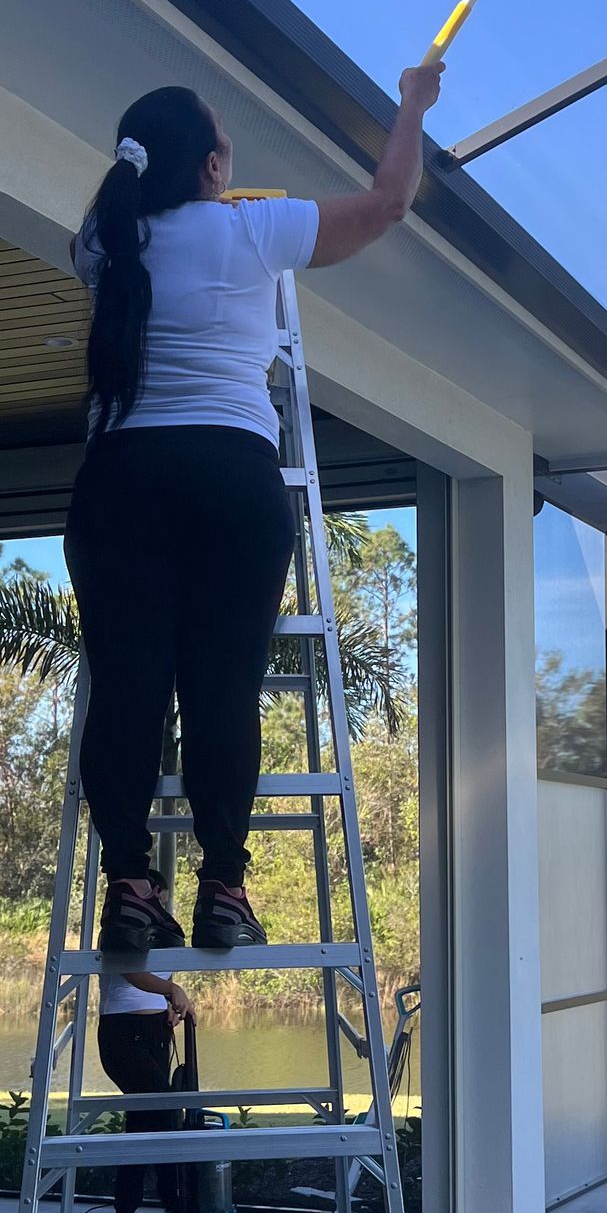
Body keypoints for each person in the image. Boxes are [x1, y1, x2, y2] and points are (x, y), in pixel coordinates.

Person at [65, 61, 443, 956]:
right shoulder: (250, 232)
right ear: (209, 169)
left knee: (127, 687)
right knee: (222, 685)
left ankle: (128, 883)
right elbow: (390, 201)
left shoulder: (100, 242)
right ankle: (224, 887)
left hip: (118, 478)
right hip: (232, 478)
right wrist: (412, 107)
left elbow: (118, 214)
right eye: (224, 151)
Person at [97, 968, 192, 1213]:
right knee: (163, 1114)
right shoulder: (121, 925)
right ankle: (176, 1208)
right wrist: (172, 991)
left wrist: (169, 1001)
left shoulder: (166, 927)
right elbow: (130, 970)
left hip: (156, 1028)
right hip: (123, 1030)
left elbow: (164, 970)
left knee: (143, 1121)